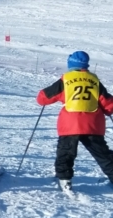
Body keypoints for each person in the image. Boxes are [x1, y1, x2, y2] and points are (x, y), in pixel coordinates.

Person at [36, 51, 113, 192]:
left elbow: (42, 98)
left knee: (66, 152)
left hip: (70, 125)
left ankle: (65, 180)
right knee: (103, 154)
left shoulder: (66, 79)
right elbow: (108, 105)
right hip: (93, 125)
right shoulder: (94, 80)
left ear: (70, 64)